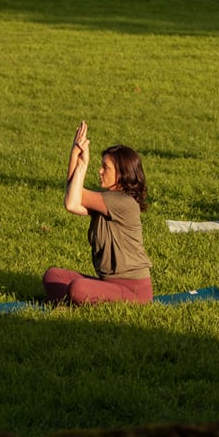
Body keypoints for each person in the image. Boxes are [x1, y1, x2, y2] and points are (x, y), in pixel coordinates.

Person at [42, 121, 153, 305]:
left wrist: (82, 164)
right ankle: (76, 299)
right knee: (53, 275)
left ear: (121, 173)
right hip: (108, 283)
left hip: (134, 290)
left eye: (105, 167)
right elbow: (73, 198)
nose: (100, 171)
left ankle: (75, 298)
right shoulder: (105, 201)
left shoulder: (123, 202)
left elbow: (71, 201)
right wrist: (75, 154)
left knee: (78, 288)